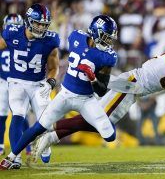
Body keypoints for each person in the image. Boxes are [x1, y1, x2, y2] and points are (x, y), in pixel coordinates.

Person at [33, 33, 165, 162]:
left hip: (135, 90)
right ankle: (47, 132)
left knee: (96, 123)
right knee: (99, 122)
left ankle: (50, 135)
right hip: (131, 84)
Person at [0, 15, 119, 170]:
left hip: (86, 99)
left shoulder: (108, 56)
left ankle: (52, 134)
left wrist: (93, 78)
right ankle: (11, 157)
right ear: (95, 32)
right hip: (65, 95)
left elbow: (101, 91)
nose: (109, 42)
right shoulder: (76, 37)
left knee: (111, 135)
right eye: (106, 37)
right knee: (38, 127)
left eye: (111, 38)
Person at [0, 4, 60, 169]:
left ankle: (45, 145)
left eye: (44, 24)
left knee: (46, 121)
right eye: (38, 23)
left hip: (38, 84)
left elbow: (54, 67)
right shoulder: (12, 33)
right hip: (16, 82)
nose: (41, 27)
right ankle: (16, 158)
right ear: (28, 21)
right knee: (18, 115)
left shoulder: (50, 40)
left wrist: (51, 82)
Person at [0, 13, 31, 156]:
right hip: (5, 82)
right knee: (7, 115)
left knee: (19, 114)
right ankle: (2, 145)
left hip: (16, 83)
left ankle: (27, 145)